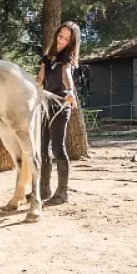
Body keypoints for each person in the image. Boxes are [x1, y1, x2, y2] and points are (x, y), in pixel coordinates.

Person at [34, 21, 81, 205]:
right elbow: (39, 79)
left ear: (71, 42)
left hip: (61, 106)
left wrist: (70, 91)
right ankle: (44, 190)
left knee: (58, 148)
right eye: (60, 36)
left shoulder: (66, 60)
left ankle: (62, 194)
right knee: (42, 148)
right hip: (45, 105)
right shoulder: (47, 58)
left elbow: (66, 75)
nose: (62, 40)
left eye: (66, 38)